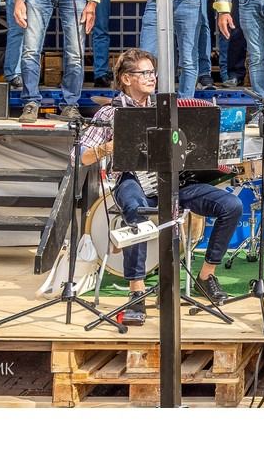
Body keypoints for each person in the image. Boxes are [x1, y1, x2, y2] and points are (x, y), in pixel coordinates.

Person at [78, 49, 243, 325]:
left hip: (175, 181)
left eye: (153, 72)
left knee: (231, 205)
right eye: (144, 73)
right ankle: (137, 292)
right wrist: (107, 147)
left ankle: (206, 276)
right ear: (126, 78)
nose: (152, 77)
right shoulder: (111, 112)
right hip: (131, 179)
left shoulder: (168, 108)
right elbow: (79, 156)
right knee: (135, 209)